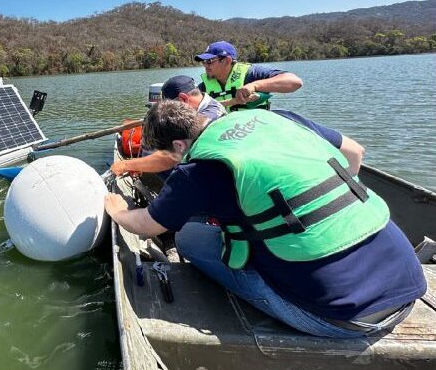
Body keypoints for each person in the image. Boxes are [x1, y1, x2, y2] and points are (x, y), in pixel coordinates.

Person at [105, 100, 426, 338]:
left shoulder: (196, 172)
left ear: (179, 145)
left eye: (170, 155)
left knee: (188, 236)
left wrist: (118, 210)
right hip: (407, 282)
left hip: (345, 318)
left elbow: (148, 225)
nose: (173, 161)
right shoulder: (275, 118)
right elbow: (355, 153)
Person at [111, 75, 225, 176]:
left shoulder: (207, 118)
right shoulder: (205, 104)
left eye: (171, 106)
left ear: (183, 99)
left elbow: (169, 158)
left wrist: (126, 165)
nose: (169, 110)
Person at [195, 41, 303, 111]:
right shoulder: (203, 87)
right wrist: (234, 101)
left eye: (209, 61)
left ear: (227, 60)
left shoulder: (252, 74)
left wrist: (255, 86)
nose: (205, 65)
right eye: (203, 62)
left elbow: (295, 82)